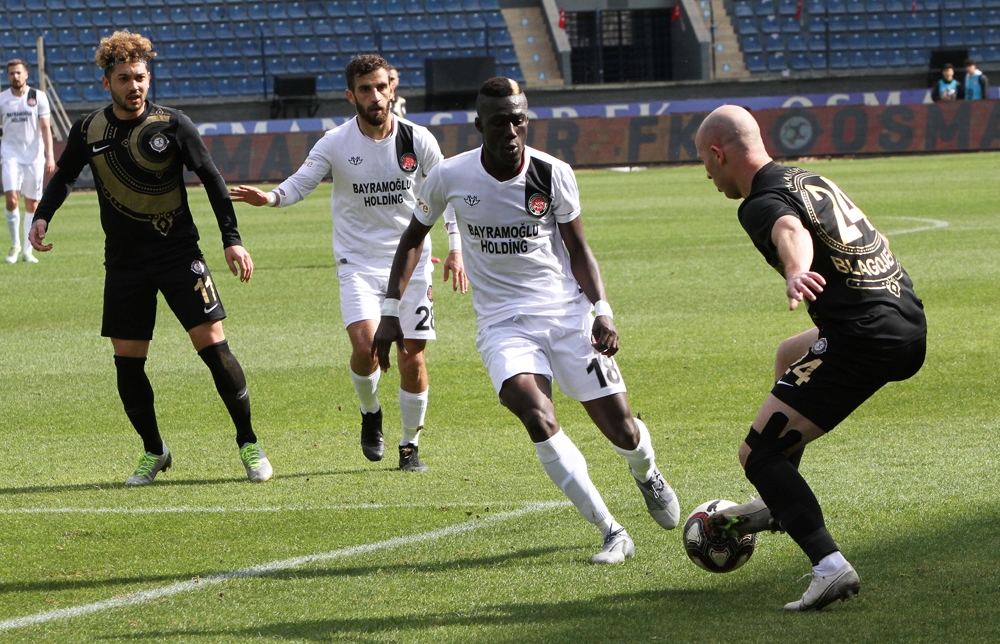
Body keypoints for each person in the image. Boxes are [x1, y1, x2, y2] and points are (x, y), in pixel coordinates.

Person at [373, 77, 680, 563]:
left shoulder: (552, 172)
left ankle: (647, 473)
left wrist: (602, 310)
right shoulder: (450, 176)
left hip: (566, 314)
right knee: (532, 409)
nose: (512, 130)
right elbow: (413, 238)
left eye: (519, 119)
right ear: (480, 126)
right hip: (502, 322)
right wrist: (391, 312)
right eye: (500, 122)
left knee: (622, 429)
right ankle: (611, 530)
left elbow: (579, 249)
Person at [694, 105, 926, 611]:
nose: (707, 175)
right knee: (789, 354)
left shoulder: (758, 202)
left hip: (865, 337)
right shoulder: (805, 175)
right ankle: (780, 505)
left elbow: (788, 231)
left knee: (756, 454)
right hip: (905, 316)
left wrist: (796, 271)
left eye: (705, 164)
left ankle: (829, 567)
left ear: (719, 153)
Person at [30, 31, 273, 485]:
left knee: (215, 349)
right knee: (127, 362)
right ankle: (154, 450)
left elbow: (212, 179)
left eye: (140, 76)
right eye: (124, 78)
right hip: (124, 263)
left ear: (149, 76)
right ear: (107, 82)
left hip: (179, 254)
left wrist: (231, 238)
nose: (134, 85)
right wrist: (42, 215)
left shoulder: (173, 124)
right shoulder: (88, 129)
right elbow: (64, 175)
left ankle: (249, 443)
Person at [230, 54, 465, 472]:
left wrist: (456, 248)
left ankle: (409, 447)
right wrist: (269, 197)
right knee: (365, 347)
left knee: (413, 357)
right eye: (365, 90)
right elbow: (302, 181)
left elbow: (444, 193)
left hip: (411, 264)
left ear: (392, 88)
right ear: (350, 95)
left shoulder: (419, 139)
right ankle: (369, 410)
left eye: (381, 87)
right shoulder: (335, 141)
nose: (375, 97)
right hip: (357, 261)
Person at [1, 59, 55, 264]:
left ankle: (26, 250)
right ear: (8, 76)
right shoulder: (2, 99)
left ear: (26, 75)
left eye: (18, 73)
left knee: (32, 203)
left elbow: (45, 128)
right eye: (11, 73)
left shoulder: (38, 97)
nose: (15, 76)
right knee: (11, 198)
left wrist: (49, 155)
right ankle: (14, 245)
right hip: (10, 155)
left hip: (33, 157)